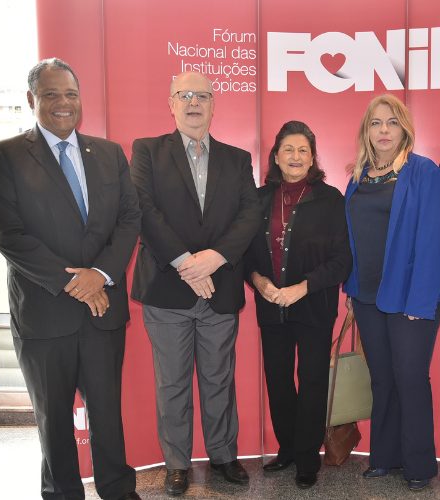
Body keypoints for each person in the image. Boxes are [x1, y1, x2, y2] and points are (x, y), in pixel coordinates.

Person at [0, 58, 141, 500]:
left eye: (71, 94)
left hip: (102, 310)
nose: (63, 103)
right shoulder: (5, 155)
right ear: (31, 99)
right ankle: (62, 493)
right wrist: (77, 283)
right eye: (51, 94)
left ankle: (118, 490)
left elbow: (129, 219)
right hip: (44, 312)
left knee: (106, 412)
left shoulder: (108, 153)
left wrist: (100, 274)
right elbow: (8, 233)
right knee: (53, 419)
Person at [129, 71, 260, 496]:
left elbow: (249, 215)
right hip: (167, 288)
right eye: (184, 95)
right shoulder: (147, 151)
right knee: (172, 382)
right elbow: (144, 211)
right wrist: (188, 264)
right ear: (170, 103)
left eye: (202, 95)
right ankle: (177, 464)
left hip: (220, 287)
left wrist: (215, 258)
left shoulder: (237, 159)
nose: (193, 103)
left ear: (213, 104)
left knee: (219, 378)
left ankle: (223, 456)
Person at [344, 94, 440, 491]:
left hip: (410, 298)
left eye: (391, 122)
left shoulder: (423, 172)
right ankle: (385, 457)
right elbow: (354, 238)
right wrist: (352, 288)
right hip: (367, 296)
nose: (384, 130)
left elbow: (433, 239)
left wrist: (420, 300)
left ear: (404, 128)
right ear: (366, 131)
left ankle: (418, 464)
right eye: (376, 123)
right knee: (382, 379)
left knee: (410, 378)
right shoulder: (358, 177)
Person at [245, 120, 352, 489]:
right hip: (270, 305)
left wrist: (301, 288)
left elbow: (342, 261)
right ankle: (287, 449)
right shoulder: (258, 198)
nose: (295, 156)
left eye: (302, 150)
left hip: (313, 305)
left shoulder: (331, 199)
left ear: (312, 158)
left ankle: (308, 457)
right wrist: (257, 280)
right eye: (288, 149)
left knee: (312, 380)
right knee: (277, 379)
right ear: (276, 156)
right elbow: (245, 253)